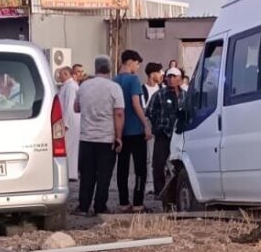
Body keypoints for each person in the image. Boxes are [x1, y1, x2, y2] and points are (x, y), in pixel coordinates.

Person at [73, 55, 124, 216]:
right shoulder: (114, 88)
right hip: (106, 138)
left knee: (87, 174)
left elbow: (76, 108)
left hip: (86, 138)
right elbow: (119, 114)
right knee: (104, 175)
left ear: (95, 68)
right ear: (109, 69)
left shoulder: (84, 86)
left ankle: (83, 206)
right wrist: (118, 137)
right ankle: (100, 206)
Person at [114, 50, 152, 213]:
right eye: (137, 64)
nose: (137, 67)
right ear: (131, 62)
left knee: (122, 168)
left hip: (120, 131)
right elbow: (136, 103)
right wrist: (146, 124)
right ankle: (138, 202)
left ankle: (123, 202)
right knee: (140, 169)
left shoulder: (114, 80)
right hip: (135, 130)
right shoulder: (134, 80)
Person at [147, 68, 185, 196]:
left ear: (180, 78)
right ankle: (160, 191)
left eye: (174, 76)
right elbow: (150, 111)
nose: (171, 79)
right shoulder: (159, 94)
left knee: (180, 164)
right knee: (158, 164)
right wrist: (157, 126)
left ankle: (176, 192)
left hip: (180, 135)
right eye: (169, 76)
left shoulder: (186, 95)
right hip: (163, 134)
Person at [56, 66, 80, 182]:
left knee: (69, 147)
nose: (58, 76)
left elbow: (69, 106)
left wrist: (65, 124)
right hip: (68, 120)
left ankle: (70, 174)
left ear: (66, 74)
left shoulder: (70, 87)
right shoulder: (67, 86)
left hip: (69, 122)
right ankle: (69, 173)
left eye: (60, 74)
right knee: (68, 148)